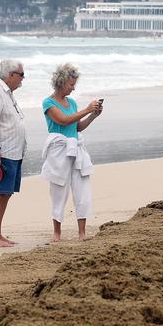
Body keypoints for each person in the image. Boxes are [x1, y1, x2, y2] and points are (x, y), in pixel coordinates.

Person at [41, 63, 102, 241]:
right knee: (58, 190)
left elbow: (77, 127)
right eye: (71, 84)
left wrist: (93, 115)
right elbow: (64, 120)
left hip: (75, 147)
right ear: (60, 82)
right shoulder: (48, 102)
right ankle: (57, 232)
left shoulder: (72, 102)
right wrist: (87, 109)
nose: (74, 87)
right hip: (58, 150)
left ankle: (82, 233)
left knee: (82, 189)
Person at [0, 59, 27, 247]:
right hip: (2, 152)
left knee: (6, 193)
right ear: (10, 75)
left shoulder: (7, 92)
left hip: (14, 151)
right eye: (21, 75)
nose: (23, 79)